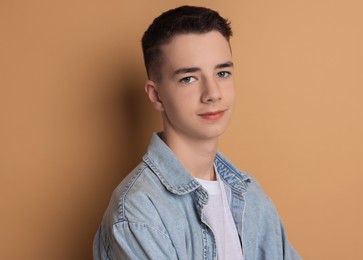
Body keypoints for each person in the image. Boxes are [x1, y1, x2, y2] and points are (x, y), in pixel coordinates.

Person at [93, 5, 300, 260]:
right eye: (189, 78)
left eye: (222, 73)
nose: (213, 93)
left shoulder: (249, 196)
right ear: (156, 95)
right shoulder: (139, 211)